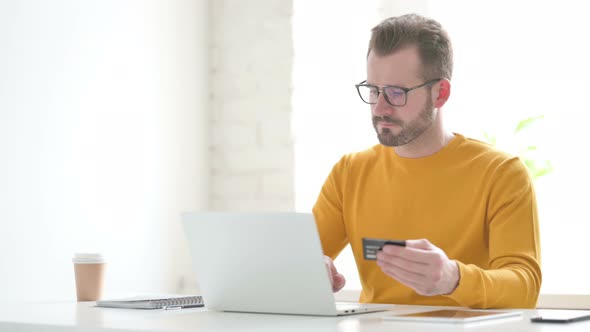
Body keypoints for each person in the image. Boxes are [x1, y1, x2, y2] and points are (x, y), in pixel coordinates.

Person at [313, 13, 541, 309]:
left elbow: (525, 287)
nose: (380, 107)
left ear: (440, 93)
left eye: (396, 92)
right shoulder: (349, 172)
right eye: (373, 90)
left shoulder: (501, 173)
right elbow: (298, 260)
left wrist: (453, 278)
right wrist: (309, 271)